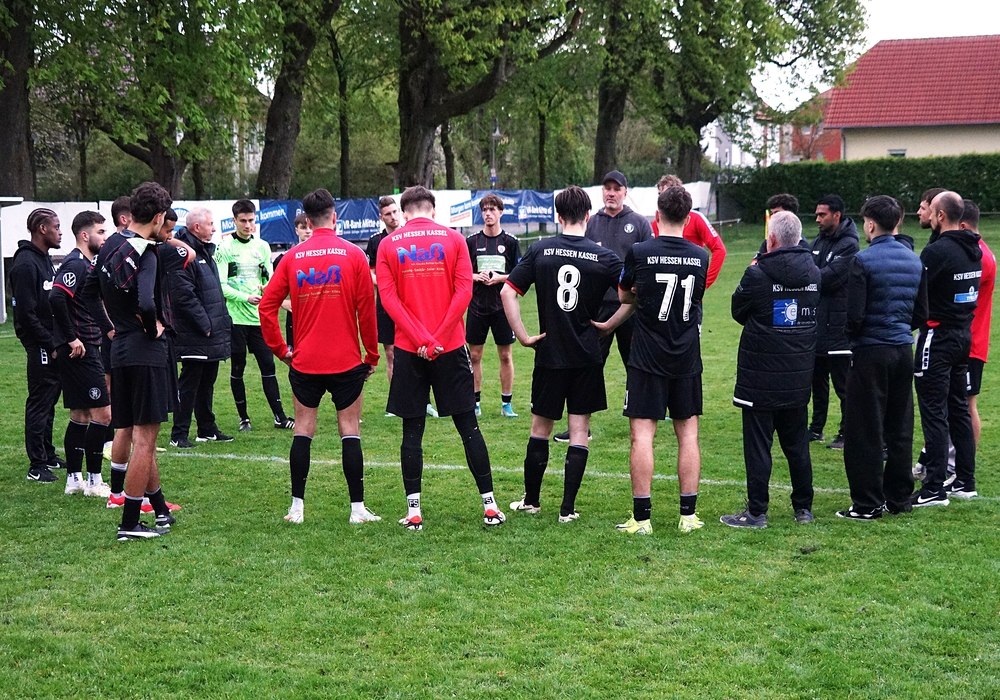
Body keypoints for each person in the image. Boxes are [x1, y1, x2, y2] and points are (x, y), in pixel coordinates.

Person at [375, 185, 504, 530]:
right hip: (449, 346)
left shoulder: (389, 244)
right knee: (468, 427)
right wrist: (438, 338)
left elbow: (388, 300)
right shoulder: (455, 240)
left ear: (404, 213)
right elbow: (464, 293)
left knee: (412, 430)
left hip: (409, 349)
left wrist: (420, 338)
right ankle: (490, 506)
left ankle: (414, 511)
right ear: (433, 210)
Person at [501, 186, 626, 523]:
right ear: (588, 215)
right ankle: (567, 509)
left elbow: (507, 292)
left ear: (558, 216)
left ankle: (532, 501)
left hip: (550, 354)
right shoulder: (604, 256)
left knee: (540, 428)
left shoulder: (540, 249)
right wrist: (608, 325)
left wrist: (523, 336)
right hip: (587, 355)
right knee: (579, 430)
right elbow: (634, 294)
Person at [260, 189, 381, 525]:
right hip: (346, 360)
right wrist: (372, 354)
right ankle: (357, 509)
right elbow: (366, 310)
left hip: (306, 361)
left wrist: (281, 350)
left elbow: (267, 307)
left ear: (308, 221)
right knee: (350, 430)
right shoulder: (354, 255)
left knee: (303, 429)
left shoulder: (292, 257)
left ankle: (296, 509)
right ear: (335, 217)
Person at [614, 186, 709, 534]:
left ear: (657, 215)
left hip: (647, 355)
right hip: (686, 354)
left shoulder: (640, 251)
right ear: (688, 218)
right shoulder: (701, 256)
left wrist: (639, 292)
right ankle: (688, 517)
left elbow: (624, 295)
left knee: (642, 436)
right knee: (688, 435)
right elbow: (696, 297)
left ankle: (642, 519)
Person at [720, 211, 821, 528]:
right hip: (798, 375)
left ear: (772, 239)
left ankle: (757, 512)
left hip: (760, 376)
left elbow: (738, 310)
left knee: (758, 446)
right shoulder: (815, 273)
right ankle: (803, 508)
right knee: (797, 445)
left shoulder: (757, 273)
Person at [94, 182, 178, 540]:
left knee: (138, 432)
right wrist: (151, 325)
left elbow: (90, 292)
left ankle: (159, 509)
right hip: (145, 351)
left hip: (121, 351)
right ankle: (129, 523)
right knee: (145, 439)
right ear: (158, 217)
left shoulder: (112, 244)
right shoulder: (147, 252)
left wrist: (112, 328)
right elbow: (146, 301)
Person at [836, 196, 926, 520]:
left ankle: (867, 503)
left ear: (871, 224)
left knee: (864, 429)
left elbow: (855, 315)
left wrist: (855, 337)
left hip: (871, 351)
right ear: (898, 222)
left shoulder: (862, 260)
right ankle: (898, 498)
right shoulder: (914, 260)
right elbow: (922, 313)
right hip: (903, 350)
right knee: (899, 427)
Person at [912, 191, 982, 506]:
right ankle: (965, 480)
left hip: (937, 337)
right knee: (957, 409)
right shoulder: (973, 248)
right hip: (962, 335)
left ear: (940, 215)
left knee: (934, 411)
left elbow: (918, 292)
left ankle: (934, 488)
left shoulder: (937, 252)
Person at [215, 199, 293, 431]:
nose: (248, 225)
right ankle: (244, 419)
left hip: (259, 319)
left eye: (251, 220)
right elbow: (221, 285)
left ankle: (279, 417)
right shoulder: (224, 247)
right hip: (236, 319)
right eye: (243, 221)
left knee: (268, 366)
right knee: (237, 368)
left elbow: (270, 279)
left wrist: (266, 288)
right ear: (234, 221)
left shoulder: (262, 246)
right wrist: (245, 297)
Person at [49, 211, 112, 496]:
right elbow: (56, 297)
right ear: (85, 235)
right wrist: (71, 337)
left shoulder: (87, 264)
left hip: (83, 347)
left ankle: (74, 480)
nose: (105, 237)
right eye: (100, 232)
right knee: (103, 414)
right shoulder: (75, 263)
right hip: (81, 349)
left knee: (81, 414)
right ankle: (94, 482)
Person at [165, 207, 233, 448]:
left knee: (207, 382)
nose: (214, 228)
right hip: (194, 333)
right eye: (211, 224)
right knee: (190, 383)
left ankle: (207, 429)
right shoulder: (183, 253)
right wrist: (205, 324)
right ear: (197, 227)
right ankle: (179, 434)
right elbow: (183, 295)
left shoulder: (205, 250)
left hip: (210, 332)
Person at [10, 208, 64, 481]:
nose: (60, 232)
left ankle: (48, 454)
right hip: (41, 344)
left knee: (50, 400)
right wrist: (49, 343)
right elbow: (26, 314)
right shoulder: (25, 264)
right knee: (40, 401)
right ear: (42, 229)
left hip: (52, 341)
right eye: (56, 227)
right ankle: (37, 465)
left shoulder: (44, 260)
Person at [585, 170, 653, 368]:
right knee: (592, 364)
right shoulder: (590, 224)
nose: (611, 193)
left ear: (625, 192)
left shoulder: (640, 223)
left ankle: (633, 391)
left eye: (617, 189)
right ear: (602, 191)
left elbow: (649, 263)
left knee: (635, 364)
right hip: (598, 307)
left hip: (630, 307)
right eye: (607, 188)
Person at [808, 194, 859, 449]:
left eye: (822, 215)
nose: (817, 219)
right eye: (817, 214)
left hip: (839, 327)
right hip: (817, 323)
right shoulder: (817, 242)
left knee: (844, 385)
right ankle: (815, 429)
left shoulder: (850, 245)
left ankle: (847, 433)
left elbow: (829, 279)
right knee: (817, 383)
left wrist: (809, 278)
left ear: (836, 215)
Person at [467, 193, 521, 418]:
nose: (488, 214)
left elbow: (519, 274)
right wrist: (475, 277)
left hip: (502, 308)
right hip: (477, 307)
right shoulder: (471, 242)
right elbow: (461, 272)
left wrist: (500, 278)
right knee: (475, 356)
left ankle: (506, 404)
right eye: (484, 210)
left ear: (500, 212)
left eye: (492, 209)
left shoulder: (510, 242)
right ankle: (475, 403)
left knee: (505, 355)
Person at [959, 200, 994, 450]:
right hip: (963, 339)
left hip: (971, 343)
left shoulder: (980, 256)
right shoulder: (975, 252)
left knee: (967, 404)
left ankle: (965, 462)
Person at [652, 175, 727, 289]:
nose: (662, 198)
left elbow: (719, 249)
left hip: (689, 287)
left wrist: (704, 283)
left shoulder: (696, 218)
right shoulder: (656, 223)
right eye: (660, 194)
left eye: (666, 193)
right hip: (664, 288)